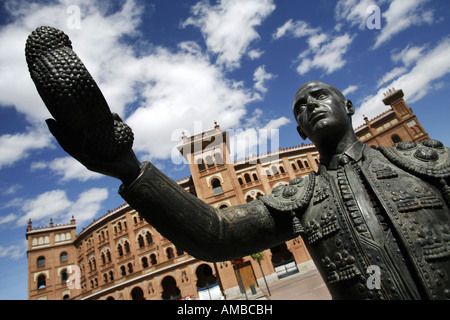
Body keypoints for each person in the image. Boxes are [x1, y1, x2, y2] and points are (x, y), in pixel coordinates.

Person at [44, 75, 450, 299]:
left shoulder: (424, 160)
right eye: (300, 109)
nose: (310, 105)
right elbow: (218, 234)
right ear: (300, 131)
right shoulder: (301, 198)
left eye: (320, 96)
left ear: (348, 106)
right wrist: (129, 170)